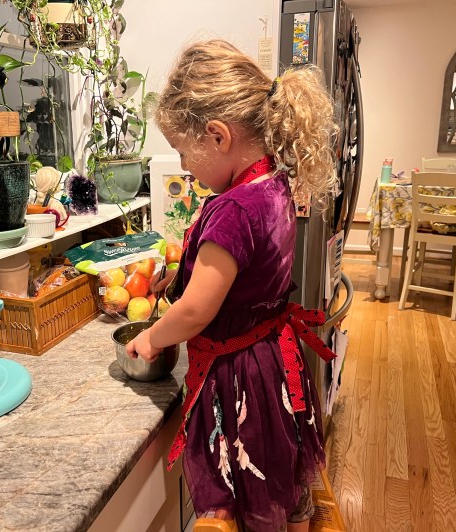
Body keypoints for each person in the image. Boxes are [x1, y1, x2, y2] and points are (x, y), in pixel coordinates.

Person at [126, 39, 338, 532]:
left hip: (238, 376)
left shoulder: (233, 209)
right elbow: (245, 273)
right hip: (272, 362)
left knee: (240, 498)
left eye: (182, 150)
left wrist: (150, 337)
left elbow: (198, 311)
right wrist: (181, 275)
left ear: (218, 136)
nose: (182, 166)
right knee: (280, 487)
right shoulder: (274, 185)